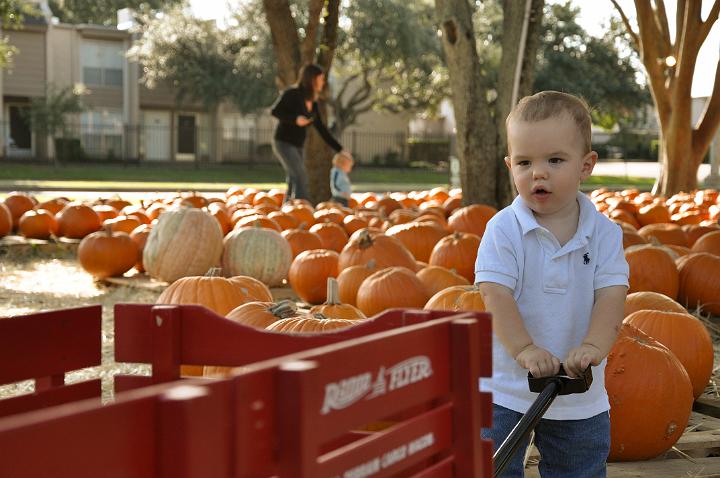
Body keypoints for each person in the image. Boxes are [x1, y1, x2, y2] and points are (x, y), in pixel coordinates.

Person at [475, 91, 629, 477]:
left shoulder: (605, 234)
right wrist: (524, 348)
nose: (537, 173)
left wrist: (595, 345)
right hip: (506, 387)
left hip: (579, 390)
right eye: (524, 162)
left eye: (554, 160)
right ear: (510, 165)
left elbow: (611, 295)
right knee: (493, 468)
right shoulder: (503, 230)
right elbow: (496, 294)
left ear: (586, 165)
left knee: (579, 469)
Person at [270, 63, 351, 202]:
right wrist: (295, 120)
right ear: (311, 79)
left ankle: (287, 209)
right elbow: (275, 111)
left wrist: (340, 149)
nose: (323, 82)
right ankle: (303, 207)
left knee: (294, 177)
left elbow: (322, 129)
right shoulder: (292, 94)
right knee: (301, 176)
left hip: (297, 145)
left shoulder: (313, 103)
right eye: (321, 79)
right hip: (283, 142)